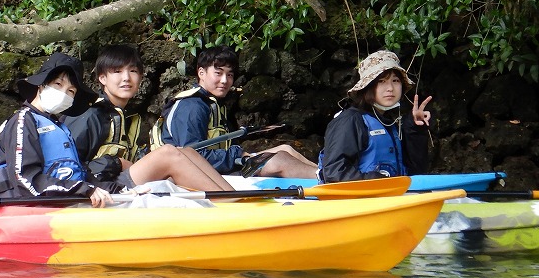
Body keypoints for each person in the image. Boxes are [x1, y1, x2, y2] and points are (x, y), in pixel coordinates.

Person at [66, 44, 233, 192]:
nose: (126, 78)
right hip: (101, 188)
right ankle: (230, 207)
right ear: (102, 78)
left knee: (186, 152)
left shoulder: (128, 116)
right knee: (168, 153)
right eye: (117, 71)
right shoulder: (90, 114)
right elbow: (65, 167)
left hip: (119, 181)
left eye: (133, 71)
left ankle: (235, 199)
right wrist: (115, 163)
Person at [157, 45, 320, 179]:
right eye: (218, 73)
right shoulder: (192, 106)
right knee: (279, 161)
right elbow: (191, 155)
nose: (224, 80)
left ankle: (329, 178)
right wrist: (238, 154)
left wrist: (238, 154)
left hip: (218, 168)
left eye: (229, 75)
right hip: (195, 176)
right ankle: (327, 182)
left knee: (285, 149)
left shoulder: (213, 104)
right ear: (201, 73)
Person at [0, 52, 122, 206]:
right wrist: (83, 189)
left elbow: (84, 177)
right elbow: (25, 180)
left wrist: (120, 190)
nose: (63, 93)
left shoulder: (60, 126)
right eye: (58, 84)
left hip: (64, 201)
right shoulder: (23, 121)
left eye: (71, 91)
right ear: (41, 85)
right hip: (27, 207)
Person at [318, 49, 432, 183]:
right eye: (381, 81)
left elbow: (415, 171)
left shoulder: (390, 122)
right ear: (367, 87)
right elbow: (334, 173)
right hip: (362, 199)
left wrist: (414, 129)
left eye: (395, 80)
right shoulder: (350, 120)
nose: (390, 88)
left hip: (390, 195)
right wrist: (373, 180)